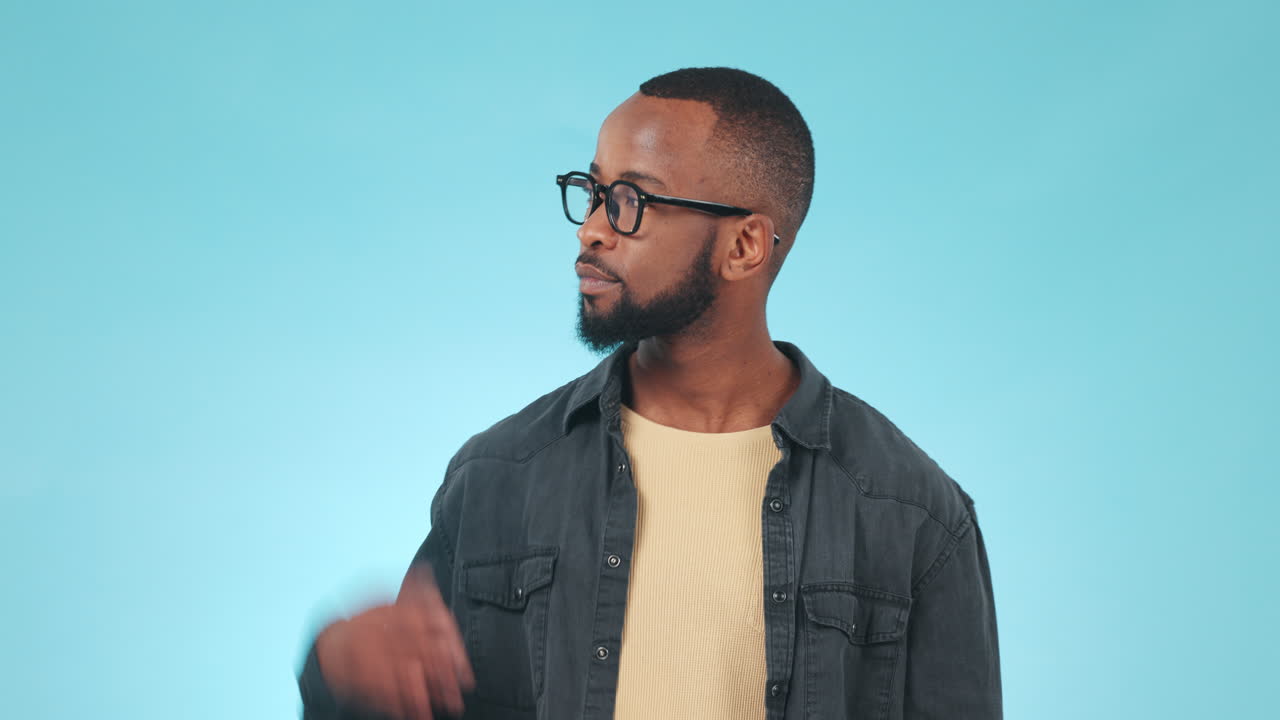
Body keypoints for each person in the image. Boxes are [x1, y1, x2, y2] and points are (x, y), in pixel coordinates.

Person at [297, 66, 1002, 720]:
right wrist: (335, 674)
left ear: (745, 247)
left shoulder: (913, 515)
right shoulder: (497, 477)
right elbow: (407, 694)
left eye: (631, 200)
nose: (593, 228)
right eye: (594, 191)